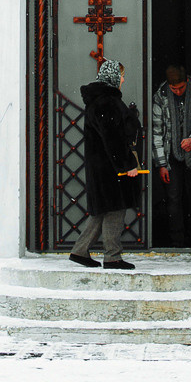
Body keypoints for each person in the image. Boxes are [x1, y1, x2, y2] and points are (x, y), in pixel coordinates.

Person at [68, 59, 142, 270]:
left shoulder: (99, 100)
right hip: (109, 167)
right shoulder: (107, 102)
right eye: (121, 75)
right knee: (115, 209)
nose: (123, 79)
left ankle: (80, 251)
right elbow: (113, 139)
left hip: (101, 165)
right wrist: (127, 165)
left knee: (103, 209)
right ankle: (112, 256)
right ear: (113, 77)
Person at [149, 63, 191, 246]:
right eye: (173, 89)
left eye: (181, 88)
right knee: (173, 198)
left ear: (187, 81)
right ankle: (176, 241)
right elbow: (157, 132)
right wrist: (161, 164)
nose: (177, 92)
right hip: (171, 156)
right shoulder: (161, 96)